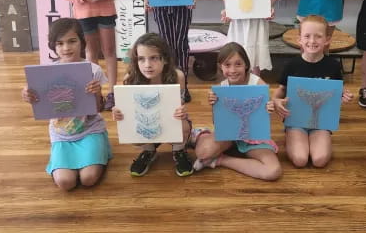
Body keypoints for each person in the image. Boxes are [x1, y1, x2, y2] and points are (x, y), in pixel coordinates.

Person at [21, 18, 111, 191]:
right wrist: (27, 94)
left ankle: (101, 149)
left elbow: (99, 108)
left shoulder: (93, 70)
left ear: (82, 42)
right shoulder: (45, 72)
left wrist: (97, 92)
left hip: (90, 129)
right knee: (65, 182)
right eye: (60, 43)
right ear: (53, 46)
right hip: (61, 133)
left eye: (72, 41)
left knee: (88, 178)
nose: (66, 48)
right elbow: (38, 100)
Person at [190, 42, 282, 181]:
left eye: (238, 64)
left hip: (253, 136)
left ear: (246, 64)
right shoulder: (221, 87)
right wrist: (214, 107)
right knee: (203, 153)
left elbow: (263, 120)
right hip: (230, 134)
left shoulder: (258, 84)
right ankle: (200, 134)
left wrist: (269, 109)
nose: (232, 70)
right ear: (221, 66)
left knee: (272, 171)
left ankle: (221, 160)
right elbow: (218, 123)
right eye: (227, 65)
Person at [273, 15, 353, 168]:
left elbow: (339, 89)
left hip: (322, 122)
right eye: (307, 36)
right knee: (300, 160)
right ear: (299, 40)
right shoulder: (292, 65)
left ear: (327, 40)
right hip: (295, 120)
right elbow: (280, 90)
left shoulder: (333, 65)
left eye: (318, 36)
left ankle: (317, 140)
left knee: (319, 160)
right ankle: (293, 136)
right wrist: (276, 101)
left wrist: (344, 95)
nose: (312, 41)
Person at [112, 33, 194, 177]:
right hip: (145, 121)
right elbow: (127, 111)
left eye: (154, 58)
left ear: (165, 59)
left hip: (167, 121)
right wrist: (118, 113)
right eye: (141, 59)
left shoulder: (177, 76)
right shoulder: (130, 79)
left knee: (184, 126)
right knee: (131, 129)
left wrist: (181, 112)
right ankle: (149, 150)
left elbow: (178, 106)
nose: (147, 65)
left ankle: (179, 150)